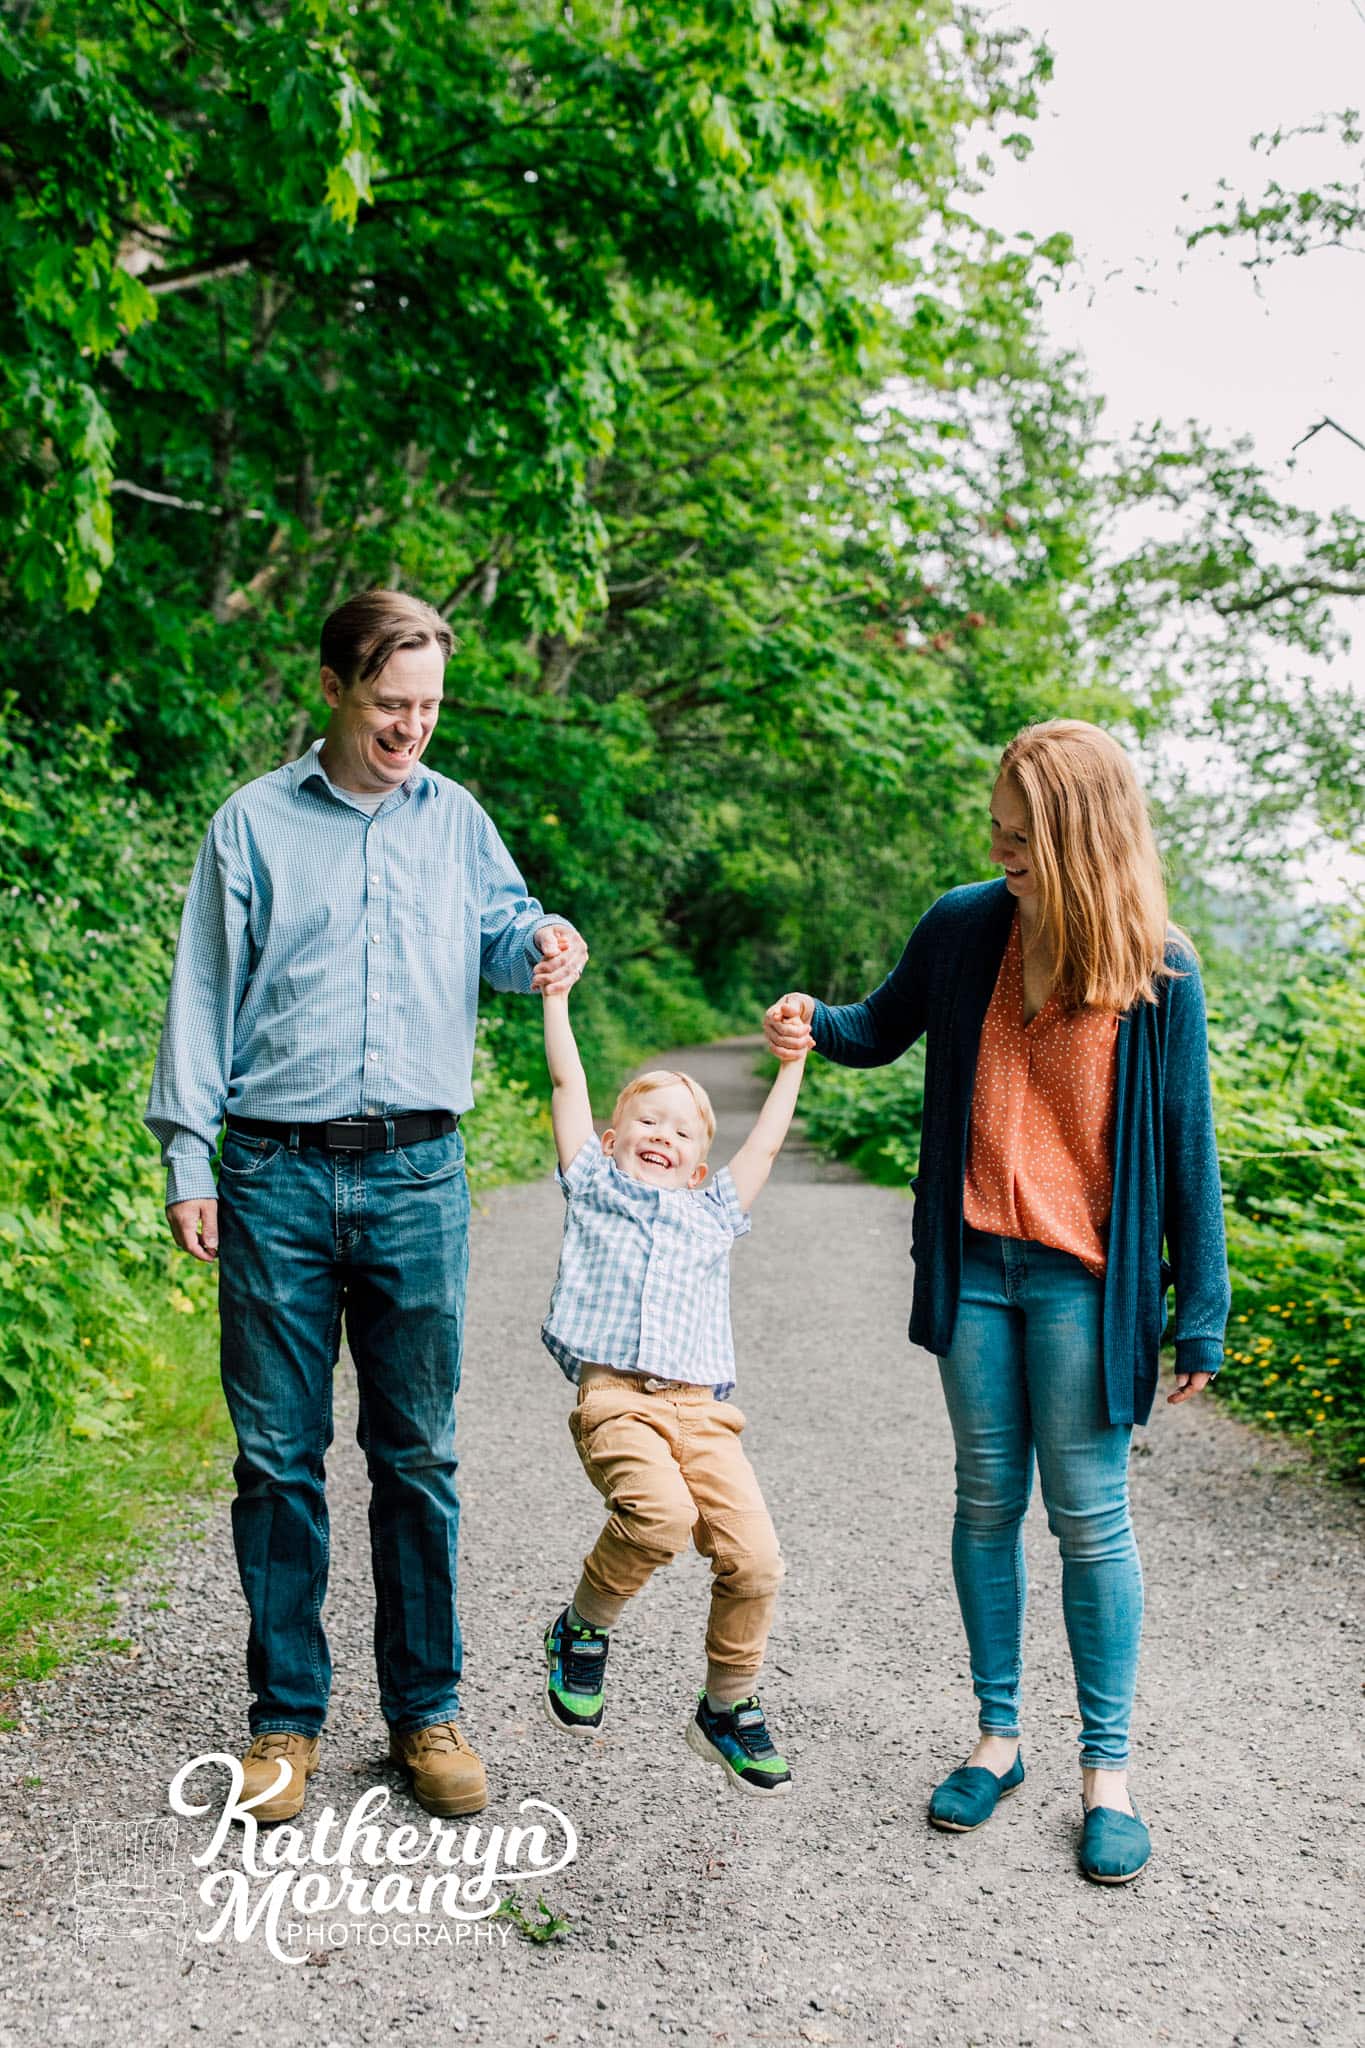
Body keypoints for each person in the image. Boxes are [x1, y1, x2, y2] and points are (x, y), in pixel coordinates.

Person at [146, 589, 587, 1824]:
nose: (412, 729)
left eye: (430, 706)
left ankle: (425, 1713)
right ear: (335, 685)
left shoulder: (458, 822)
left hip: (417, 1176)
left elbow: (506, 934)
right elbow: (200, 996)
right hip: (275, 1172)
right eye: (392, 703)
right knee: (277, 1458)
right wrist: (190, 1153)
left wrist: (546, 937)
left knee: (418, 1459)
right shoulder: (251, 826)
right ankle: (283, 1725)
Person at [763, 719, 1229, 1882]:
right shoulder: (967, 923)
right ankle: (998, 1735)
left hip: (1082, 1278)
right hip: (974, 1264)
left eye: (1022, 835)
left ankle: (1107, 1774)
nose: (1002, 847)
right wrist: (808, 1019)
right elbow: (877, 1026)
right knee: (984, 1499)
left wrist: (1202, 1307)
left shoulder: (1156, 966)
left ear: (1080, 835)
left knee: (1090, 1516)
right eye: (997, 829)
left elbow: (1186, 1152)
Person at [536, 970, 805, 1796]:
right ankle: (583, 1629)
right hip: (616, 1398)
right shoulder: (593, 1186)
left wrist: (792, 1062)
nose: (664, 1133)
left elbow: (760, 1145)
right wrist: (556, 999)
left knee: (757, 1561)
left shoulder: (712, 1211)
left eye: (684, 1131)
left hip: (703, 1412)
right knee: (658, 1520)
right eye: (647, 1119)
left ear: (697, 1165)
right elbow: (565, 1081)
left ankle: (726, 1706)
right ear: (612, 1138)